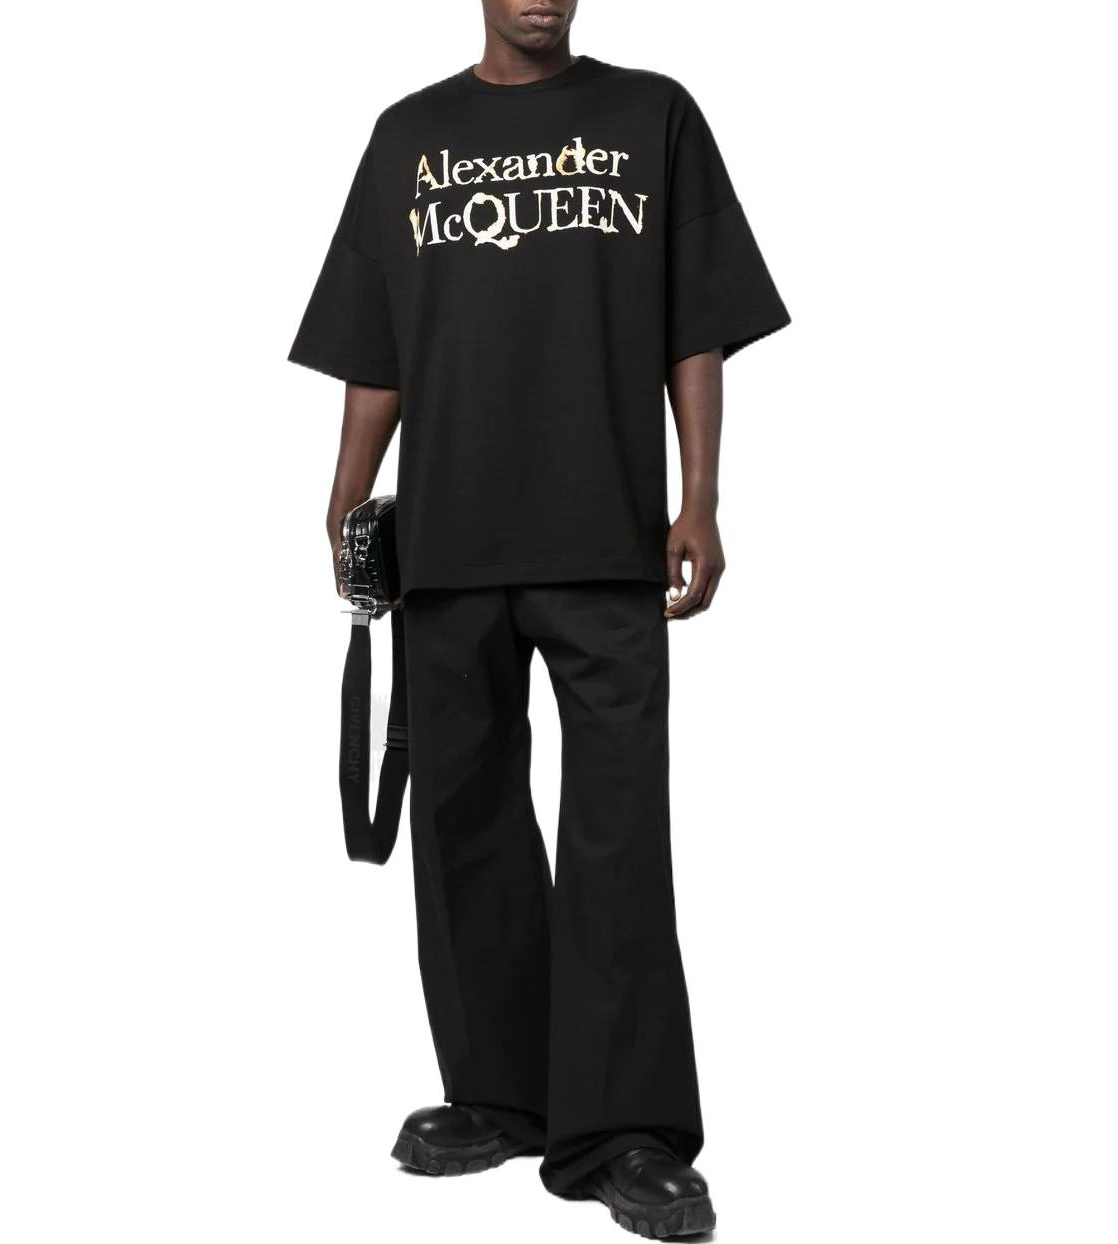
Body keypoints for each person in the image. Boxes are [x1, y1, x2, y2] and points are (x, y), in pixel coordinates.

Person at [287, 1, 790, 1236]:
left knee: (617, 829)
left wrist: (699, 498)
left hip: (603, 532)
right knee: (462, 819)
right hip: (449, 536)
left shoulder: (651, 116)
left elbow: (694, 326)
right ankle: (503, 1092)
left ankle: (624, 1128)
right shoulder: (407, 136)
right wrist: (346, 491)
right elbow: (376, 344)